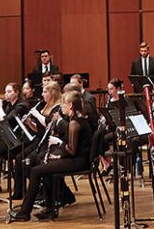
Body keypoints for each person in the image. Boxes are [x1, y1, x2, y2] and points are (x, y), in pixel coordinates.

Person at [11, 92, 93, 221]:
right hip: (76, 158)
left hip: (78, 161)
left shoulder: (74, 123)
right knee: (45, 168)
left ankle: (24, 212)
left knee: (36, 171)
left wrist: (58, 143)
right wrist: (57, 155)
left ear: (70, 105)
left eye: (64, 104)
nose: (61, 107)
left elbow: (72, 150)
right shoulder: (75, 119)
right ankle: (50, 209)